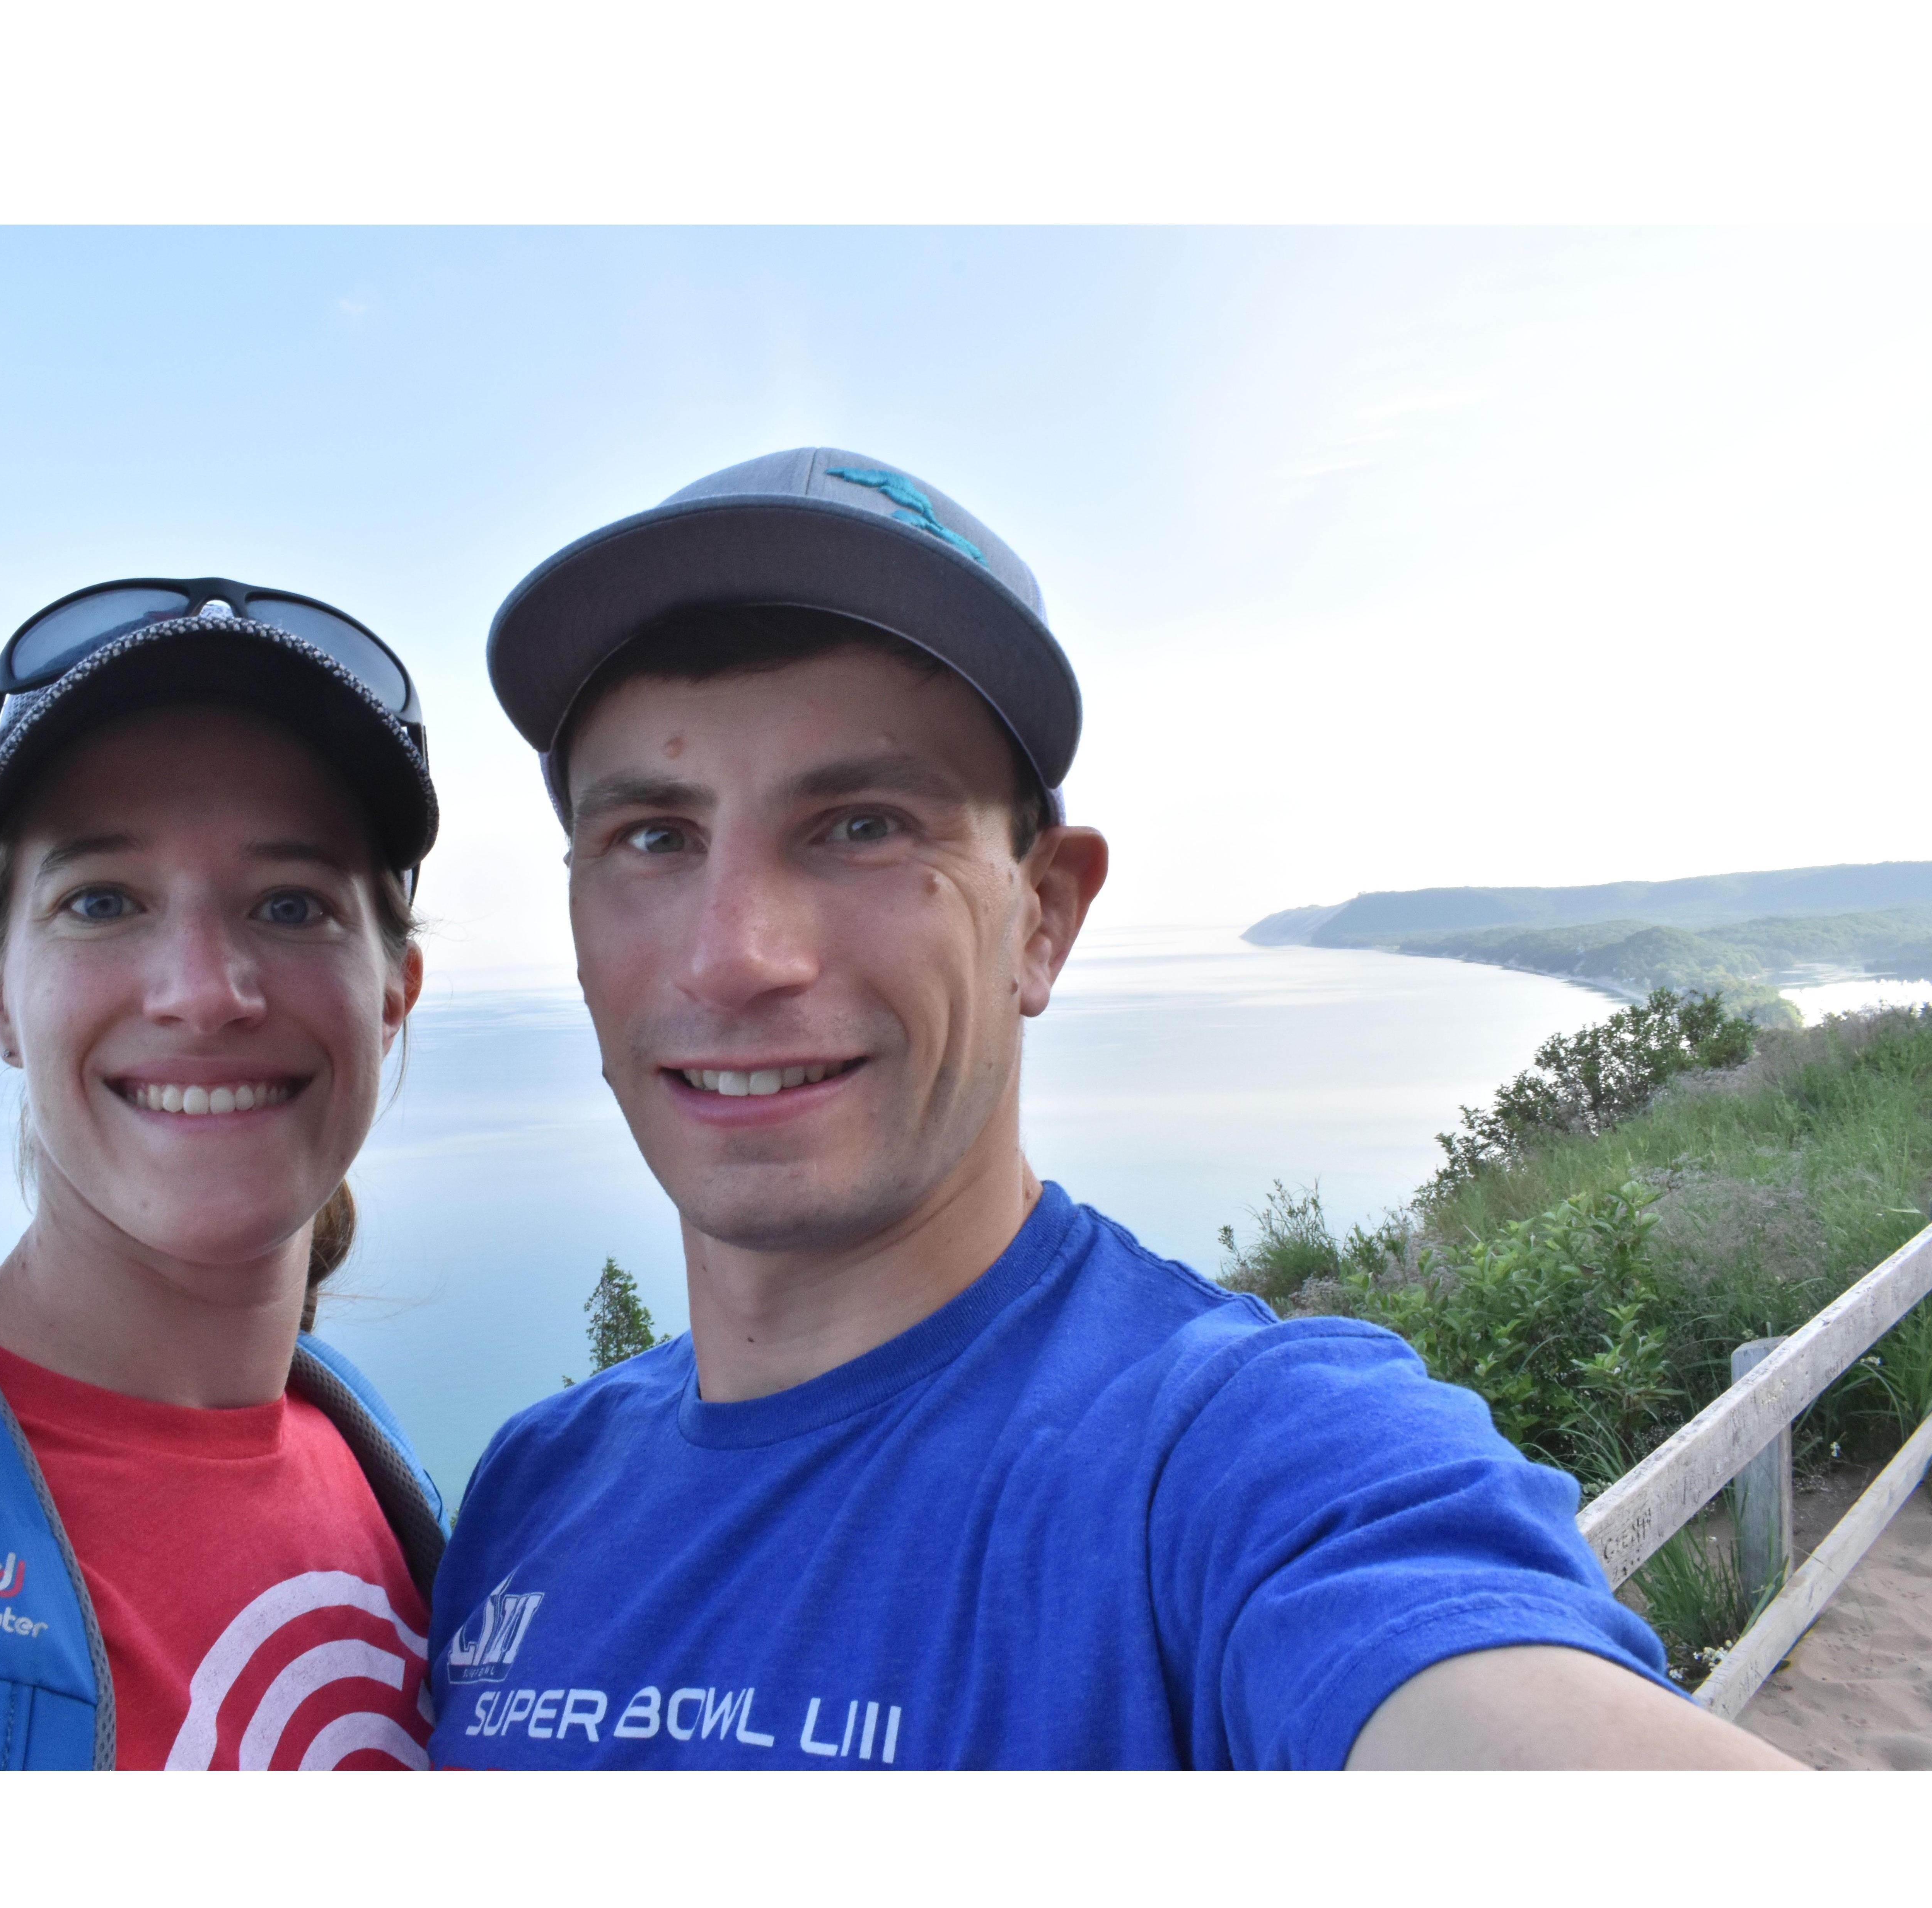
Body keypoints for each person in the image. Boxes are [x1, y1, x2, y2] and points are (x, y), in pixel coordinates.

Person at [429, 450, 1797, 1769]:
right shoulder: (530, 1498)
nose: (734, 953)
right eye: (653, 838)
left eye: (863, 824)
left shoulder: (1225, 1466)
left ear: (1044, 918)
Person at [0, 578, 447, 1770]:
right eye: (103, 901)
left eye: (290, 903)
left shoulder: (393, 1492)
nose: (205, 990)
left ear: (393, 995)